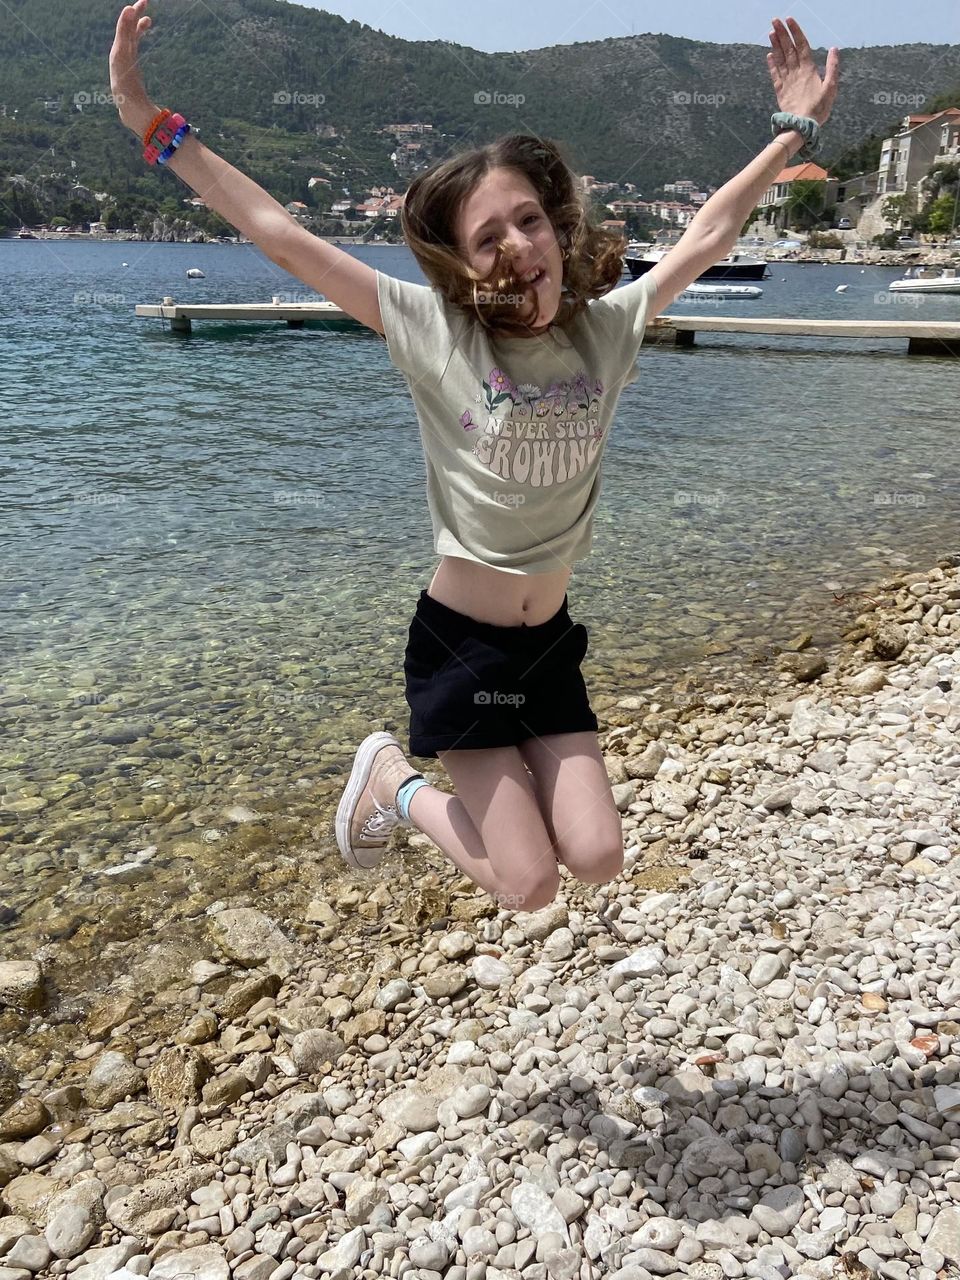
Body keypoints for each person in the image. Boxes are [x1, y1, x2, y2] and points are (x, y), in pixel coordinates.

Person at [110, 6, 839, 913]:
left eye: (529, 220)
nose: (517, 246)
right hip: (462, 649)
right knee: (528, 885)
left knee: (601, 856)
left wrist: (792, 131)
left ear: (557, 229)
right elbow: (276, 231)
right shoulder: (435, 333)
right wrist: (152, 122)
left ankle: (450, 793)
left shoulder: (607, 332)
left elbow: (706, 237)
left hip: (548, 648)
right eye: (488, 237)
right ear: (463, 267)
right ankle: (393, 786)